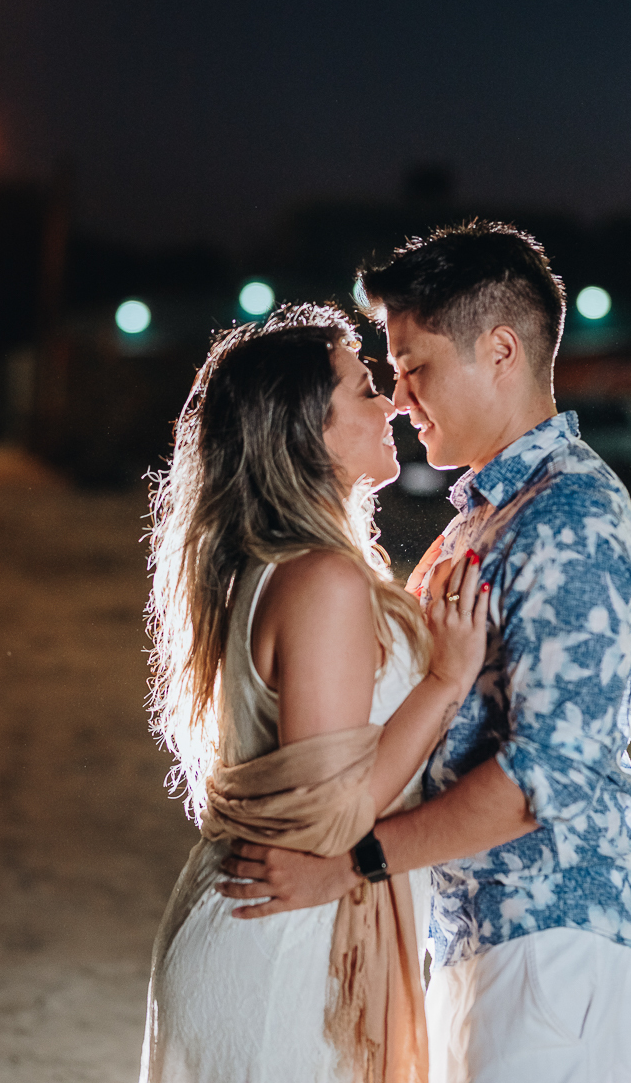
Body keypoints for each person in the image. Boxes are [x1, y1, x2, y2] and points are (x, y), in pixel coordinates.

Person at [220, 223, 631, 1083]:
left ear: (499, 350)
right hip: (484, 930)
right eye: (388, 376)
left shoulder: (568, 515)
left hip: (556, 936)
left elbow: (551, 773)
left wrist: (348, 866)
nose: (398, 397)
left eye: (413, 366)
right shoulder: (488, 515)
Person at [139, 302, 489, 1083]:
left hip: (277, 922)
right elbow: (334, 814)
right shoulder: (320, 578)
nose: (393, 401)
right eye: (365, 388)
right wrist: (445, 678)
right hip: (283, 948)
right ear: (309, 430)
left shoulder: (288, 565)